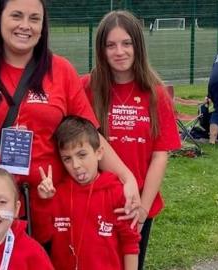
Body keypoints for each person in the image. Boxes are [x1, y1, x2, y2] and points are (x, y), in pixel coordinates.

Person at [0, 0, 140, 240]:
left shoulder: (61, 70)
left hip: (47, 203)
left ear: (43, 26)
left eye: (34, 19)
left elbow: (90, 134)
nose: (25, 26)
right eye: (16, 16)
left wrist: (127, 177)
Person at [82, 10, 181, 270]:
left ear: (138, 45)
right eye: (110, 45)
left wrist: (143, 210)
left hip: (138, 203)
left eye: (126, 43)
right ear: (101, 50)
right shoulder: (88, 88)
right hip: (97, 201)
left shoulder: (156, 94)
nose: (120, 51)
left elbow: (160, 155)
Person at [34, 116, 140, 270]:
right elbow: (42, 236)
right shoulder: (58, 194)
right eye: (67, 159)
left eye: (82, 155)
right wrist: (44, 202)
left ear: (99, 153)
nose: (76, 165)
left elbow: (130, 243)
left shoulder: (116, 192)